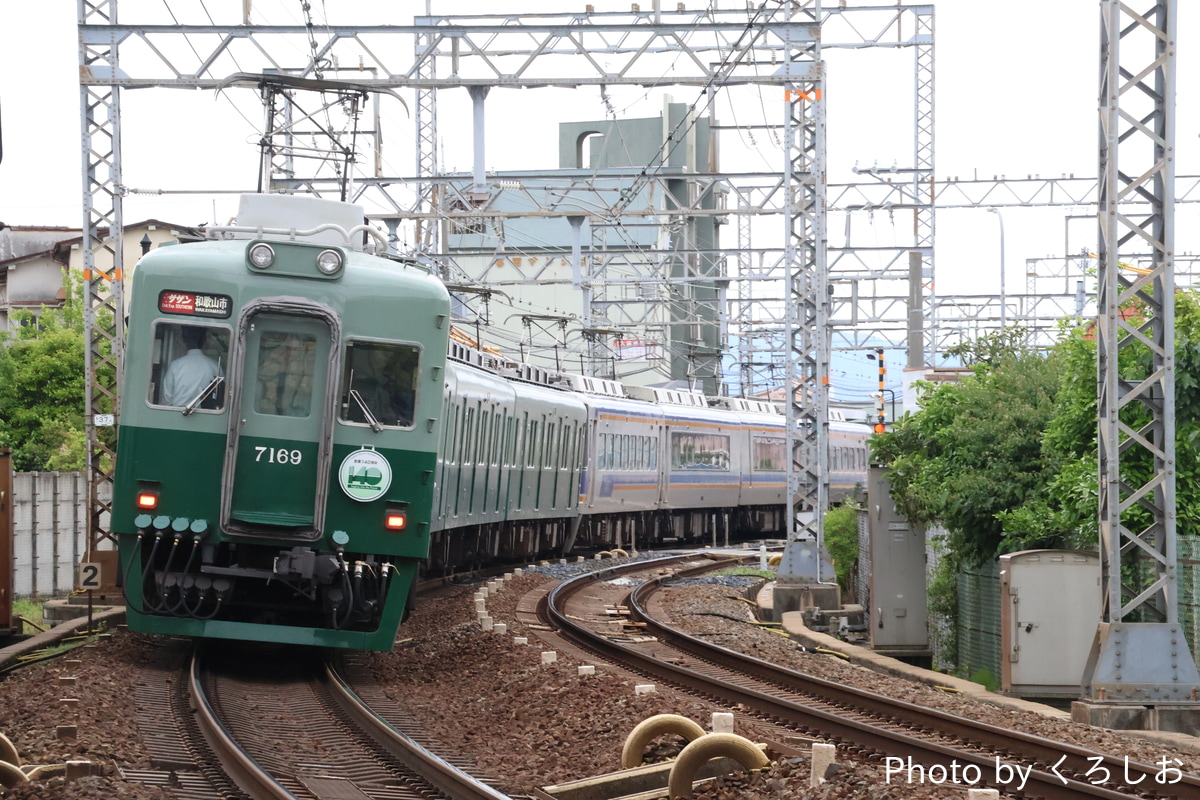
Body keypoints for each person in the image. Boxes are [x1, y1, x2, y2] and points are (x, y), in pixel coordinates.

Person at [161, 326, 222, 407]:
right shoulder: (215, 366)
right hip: (207, 413)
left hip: (176, 413)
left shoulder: (175, 366)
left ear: (184, 341)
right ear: (204, 340)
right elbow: (221, 397)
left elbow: (166, 401)